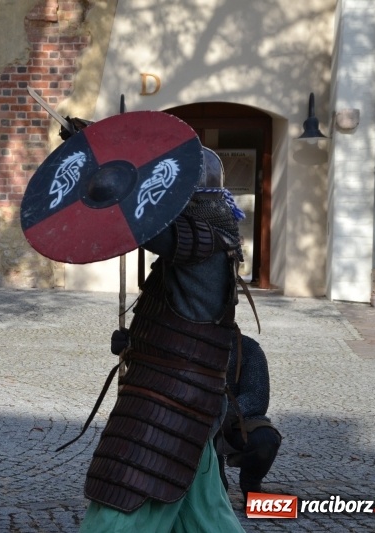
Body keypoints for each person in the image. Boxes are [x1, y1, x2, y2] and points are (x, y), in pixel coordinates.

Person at [79, 147, 247, 532]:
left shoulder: (202, 244)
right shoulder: (208, 243)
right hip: (186, 405)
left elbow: (145, 226)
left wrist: (104, 171)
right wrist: (138, 341)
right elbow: (183, 322)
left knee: (123, 503)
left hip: (170, 407)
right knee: (206, 518)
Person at [216, 334, 282, 500]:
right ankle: (216, 486)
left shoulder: (247, 348)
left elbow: (256, 397)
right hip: (194, 422)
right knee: (217, 491)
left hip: (236, 423)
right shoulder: (185, 343)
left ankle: (252, 488)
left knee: (265, 440)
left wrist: (227, 413)